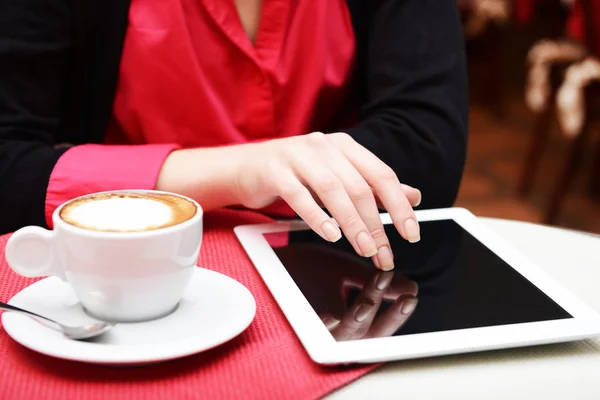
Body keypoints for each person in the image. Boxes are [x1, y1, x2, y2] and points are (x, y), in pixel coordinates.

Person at [0, 0, 468, 271]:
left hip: (329, 275)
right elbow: (9, 165)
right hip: (118, 265)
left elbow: (426, 152)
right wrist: (243, 172)